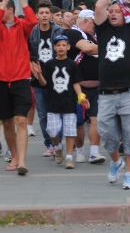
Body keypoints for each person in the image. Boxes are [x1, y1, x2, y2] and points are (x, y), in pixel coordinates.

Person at [94, 0, 130, 189]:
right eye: (110, 11)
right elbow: (98, 6)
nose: (112, 13)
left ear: (124, 14)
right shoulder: (103, 31)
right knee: (106, 134)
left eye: (117, 11)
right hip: (106, 93)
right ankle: (116, 162)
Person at [0, 0, 38, 175]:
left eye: (2, 8)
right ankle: (14, 156)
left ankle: (22, 161)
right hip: (0, 80)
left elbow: (32, 20)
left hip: (20, 79)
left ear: (10, 9)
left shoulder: (21, 26)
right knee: (7, 122)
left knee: (21, 120)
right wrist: (2, 2)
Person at [34, 35, 89, 169]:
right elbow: (44, 83)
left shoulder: (72, 64)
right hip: (53, 103)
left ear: (68, 47)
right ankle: (58, 147)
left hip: (69, 102)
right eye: (58, 45)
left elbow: (76, 83)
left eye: (64, 45)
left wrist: (81, 97)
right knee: (52, 130)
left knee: (70, 131)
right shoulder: (49, 64)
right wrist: (39, 74)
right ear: (54, 47)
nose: (61, 47)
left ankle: (69, 157)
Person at [64, 9, 106, 164]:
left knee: (96, 119)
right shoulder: (73, 34)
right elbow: (87, 49)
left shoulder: (92, 36)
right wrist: (109, 46)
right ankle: (80, 152)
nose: (95, 26)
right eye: (93, 22)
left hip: (97, 86)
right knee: (79, 122)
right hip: (78, 88)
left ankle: (94, 153)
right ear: (86, 20)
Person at [29, 0, 64, 157]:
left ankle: (59, 143)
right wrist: (31, 66)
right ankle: (49, 144)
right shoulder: (32, 32)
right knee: (43, 114)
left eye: (46, 13)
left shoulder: (58, 31)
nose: (44, 15)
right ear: (37, 15)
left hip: (57, 78)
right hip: (38, 78)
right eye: (41, 13)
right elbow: (29, 54)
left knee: (57, 112)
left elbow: (63, 52)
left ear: (51, 15)